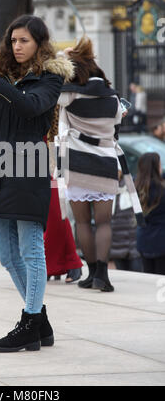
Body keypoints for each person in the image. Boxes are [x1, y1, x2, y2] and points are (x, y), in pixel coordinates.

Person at [0, 14, 74, 352]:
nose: (16, 46)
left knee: (31, 249)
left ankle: (30, 322)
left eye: (24, 41)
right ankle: (40, 322)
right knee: (7, 256)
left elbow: (27, 106)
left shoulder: (50, 77)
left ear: (39, 44)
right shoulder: (0, 74)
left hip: (28, 164)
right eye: (13, 40)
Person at [49, 37, 143, 292]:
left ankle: (90, 273)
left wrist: (61, 57)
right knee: (104, 223)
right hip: (106, 163)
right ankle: (103, 275)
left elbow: (55, 88)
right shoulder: (113, 98)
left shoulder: (69, 94)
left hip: (77, 163)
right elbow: (115, 130)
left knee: (82, 223)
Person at [44, 179, 83, 283]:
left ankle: (72, 263)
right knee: (49, 219)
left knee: (56, 216)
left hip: (54, 173)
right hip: (35, 172)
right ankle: (54, 265)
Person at [135, 153, 165, 275]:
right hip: (162, 239)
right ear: (156, 167)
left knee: (148, 276)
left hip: (143, 239)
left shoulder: (136, 189)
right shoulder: (162, 189)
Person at [109, 179, 143, 272]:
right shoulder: (109, 190)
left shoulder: (130, 187)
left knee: (137, 277)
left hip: (132, 247)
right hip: (117, 247)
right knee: (126, 278)